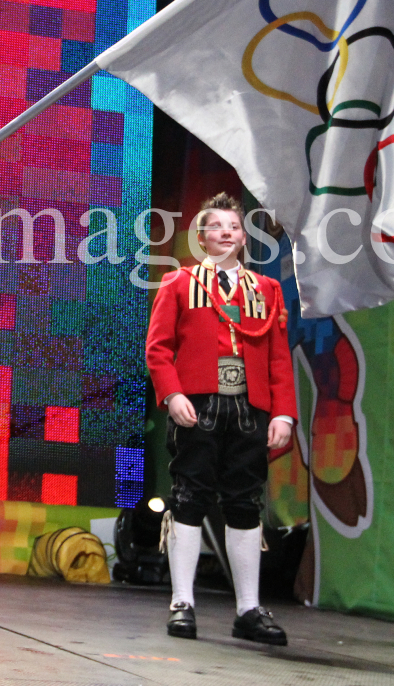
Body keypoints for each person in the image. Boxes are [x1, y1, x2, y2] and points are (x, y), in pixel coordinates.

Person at [145, 192, 297, 645]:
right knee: (189, 499)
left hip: (248, 409)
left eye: (234, 226)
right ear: (202, 236)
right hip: (199, 406)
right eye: (217, 226)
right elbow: (158, 348)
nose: (227, 233)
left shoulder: (266, 291)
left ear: (243, 236)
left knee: (244, 504)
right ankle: (182, 602)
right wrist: (172, 394)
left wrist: (284, 412)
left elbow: (278, 359)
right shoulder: (178, 283)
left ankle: (248, 609)